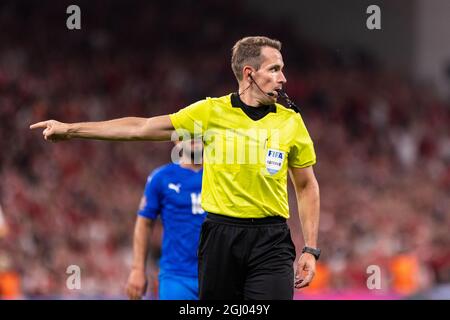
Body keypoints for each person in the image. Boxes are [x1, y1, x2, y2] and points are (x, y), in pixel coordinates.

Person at [30, 36, 321, 300]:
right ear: (249, 74)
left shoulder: (291, 122)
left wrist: (309, 248)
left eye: (281, 69)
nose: (283, 78)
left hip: (271, 241)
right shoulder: (210, 113)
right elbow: (141, 128)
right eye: (274, 69)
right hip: (221, 237)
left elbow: (306, 185)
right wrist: (71, 129)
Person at [126, 139, 205, 300]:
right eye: (187, 132)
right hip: (176, 277)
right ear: (176, 140)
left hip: (220, 274)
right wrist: (137, 269)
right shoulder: (161, 178)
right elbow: (145, 223)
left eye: (199, 131)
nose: (194, 137)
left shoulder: (223, 176)